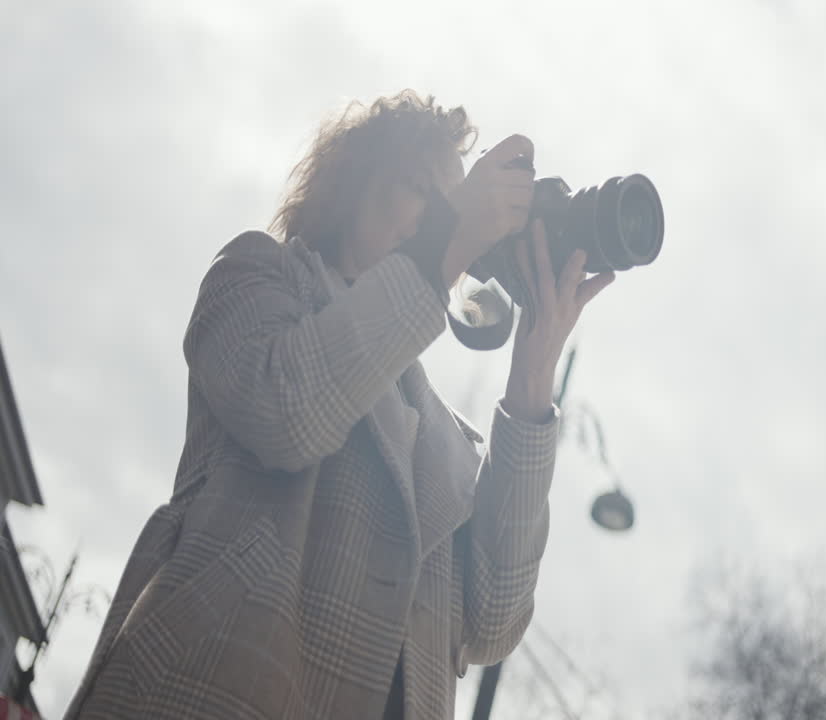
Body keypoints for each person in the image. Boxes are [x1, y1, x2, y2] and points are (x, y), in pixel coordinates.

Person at [65, 89, 615, 720]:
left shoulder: (449, 443)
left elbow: (493, 621)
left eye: (454, 208)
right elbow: (286, 412)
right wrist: (445, 241)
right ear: (352, 185)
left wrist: (534, 370)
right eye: (423, 192)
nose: (442, 219)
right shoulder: (260, 276)